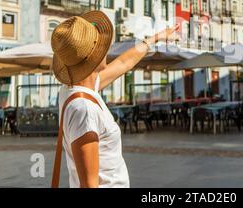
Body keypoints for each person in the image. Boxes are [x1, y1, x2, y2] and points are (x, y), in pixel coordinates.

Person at [51, 11, 179, 188]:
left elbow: (123, 63)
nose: (106, 49)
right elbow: (89, 185)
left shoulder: (73, 90)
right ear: (93, 57)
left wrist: (155, 38)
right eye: (101, 46)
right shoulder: (84, 109)